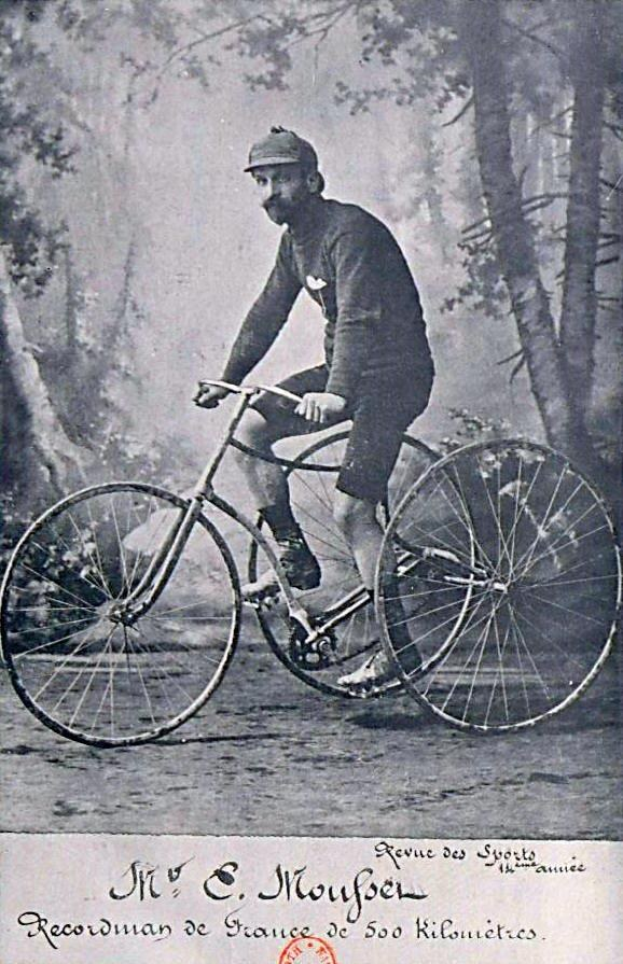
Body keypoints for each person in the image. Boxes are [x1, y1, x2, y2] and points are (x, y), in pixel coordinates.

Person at [194, 126, 434, 690]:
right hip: (346, 372)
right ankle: (293, 550)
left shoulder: (350, 232)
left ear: (312, 179)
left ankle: (399, 654)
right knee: (250, 426)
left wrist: (339, 393)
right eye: (261, 181)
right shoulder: (295, 240)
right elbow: (266, 313)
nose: (269, 193)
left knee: (353, 512)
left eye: (280, 179)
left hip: (394, 377)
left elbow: (357, 318)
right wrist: (228, 380)